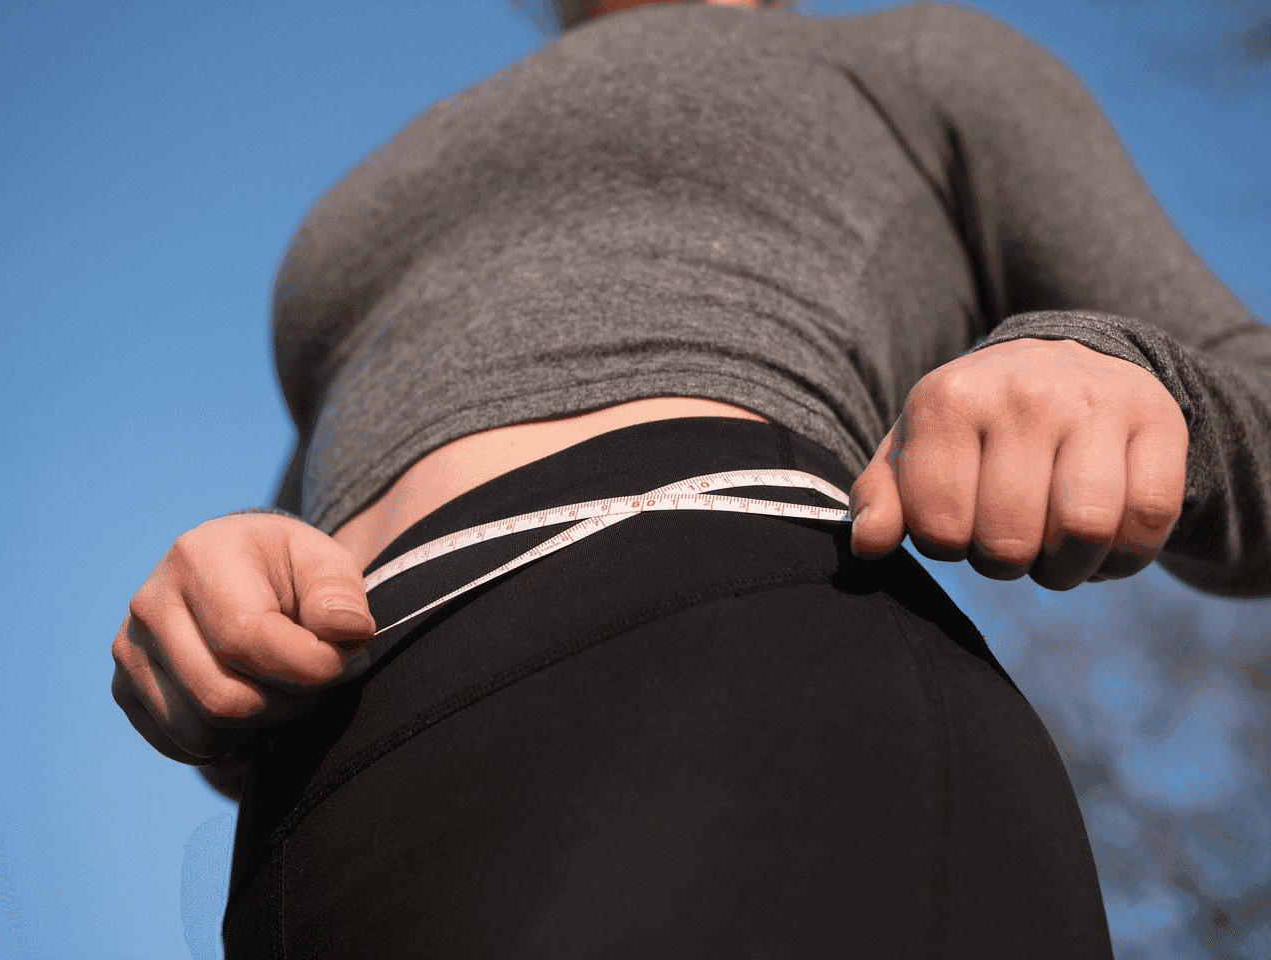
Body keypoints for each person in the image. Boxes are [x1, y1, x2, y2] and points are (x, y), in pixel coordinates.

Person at [111, 0, 1271, 956]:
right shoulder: (371, 178)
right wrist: (219, 625)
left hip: (725, 675)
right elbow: (337, 484)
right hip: (324, 810)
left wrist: (1127, 376)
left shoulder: (914, 55)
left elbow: (1243, 391)